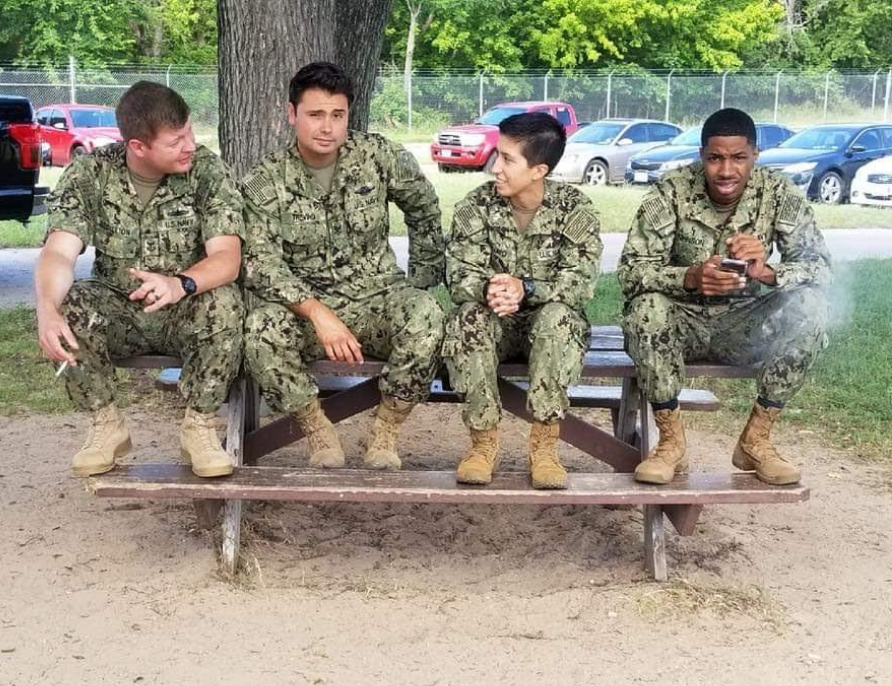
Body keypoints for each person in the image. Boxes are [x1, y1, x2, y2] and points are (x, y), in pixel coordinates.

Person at [241, 61, 445, 471]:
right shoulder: (266, 179)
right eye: (315, 114)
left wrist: (420, 282)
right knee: (259, 330)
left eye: (338, 115)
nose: (327, 127)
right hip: (306, 312)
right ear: (291, 113)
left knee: (427, 316)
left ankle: (385, 429)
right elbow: (259, 262)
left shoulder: (379, 156)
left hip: (376, 299)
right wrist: (316, 311)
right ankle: (316, 429)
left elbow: (424, 210)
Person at [35, 81, 245, 478]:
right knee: (69, 306)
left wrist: (178, 283)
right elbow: (58, 253)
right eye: (175, 140)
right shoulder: (91, 174)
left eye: (188, 132)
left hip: (186, 306)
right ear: (138, 147)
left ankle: (199, 427)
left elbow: (227, 259)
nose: (189, 145)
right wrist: (46, 309)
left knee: (226, 302)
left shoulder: (206, 169)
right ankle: (106, 425)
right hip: (119, 309)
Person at [618, 107, 831, 486]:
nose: (726, 171)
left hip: (745, 323)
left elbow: (819, 267)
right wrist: (690, 276)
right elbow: (631, 270)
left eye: (738, 158)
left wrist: (767, 272)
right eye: (715, 158)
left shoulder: (779, 194)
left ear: (755, 156)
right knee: (644, 310)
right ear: (702, 157)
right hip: (681, 322)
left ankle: (756, 439)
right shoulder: (671, 192)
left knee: (811, 308)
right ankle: (670, 443)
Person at [444, 112, 603, 488]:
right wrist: (488, 290)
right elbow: (456, 274)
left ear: (539, 170)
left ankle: (545, 447)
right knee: (468, 318)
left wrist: (526, 288)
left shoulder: (575, 211)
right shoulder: (475, 207)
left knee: (559, 319)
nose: (495, 167)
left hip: (546, 326)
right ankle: (482, 444)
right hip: (494, 321)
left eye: (507, 159)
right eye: (497, 155)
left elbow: (580, 283)